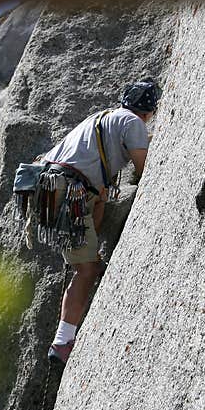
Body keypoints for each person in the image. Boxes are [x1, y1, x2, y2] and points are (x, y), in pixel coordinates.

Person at [44, 78, 160, 365]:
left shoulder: (100, 119)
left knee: (87, 262)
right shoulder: (132, 123)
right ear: (147, 112)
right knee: (87, 269)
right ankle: (62, 343)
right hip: (69, 190)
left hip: (49, 187)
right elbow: (146, 168)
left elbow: (99, 196)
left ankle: (62, 338)